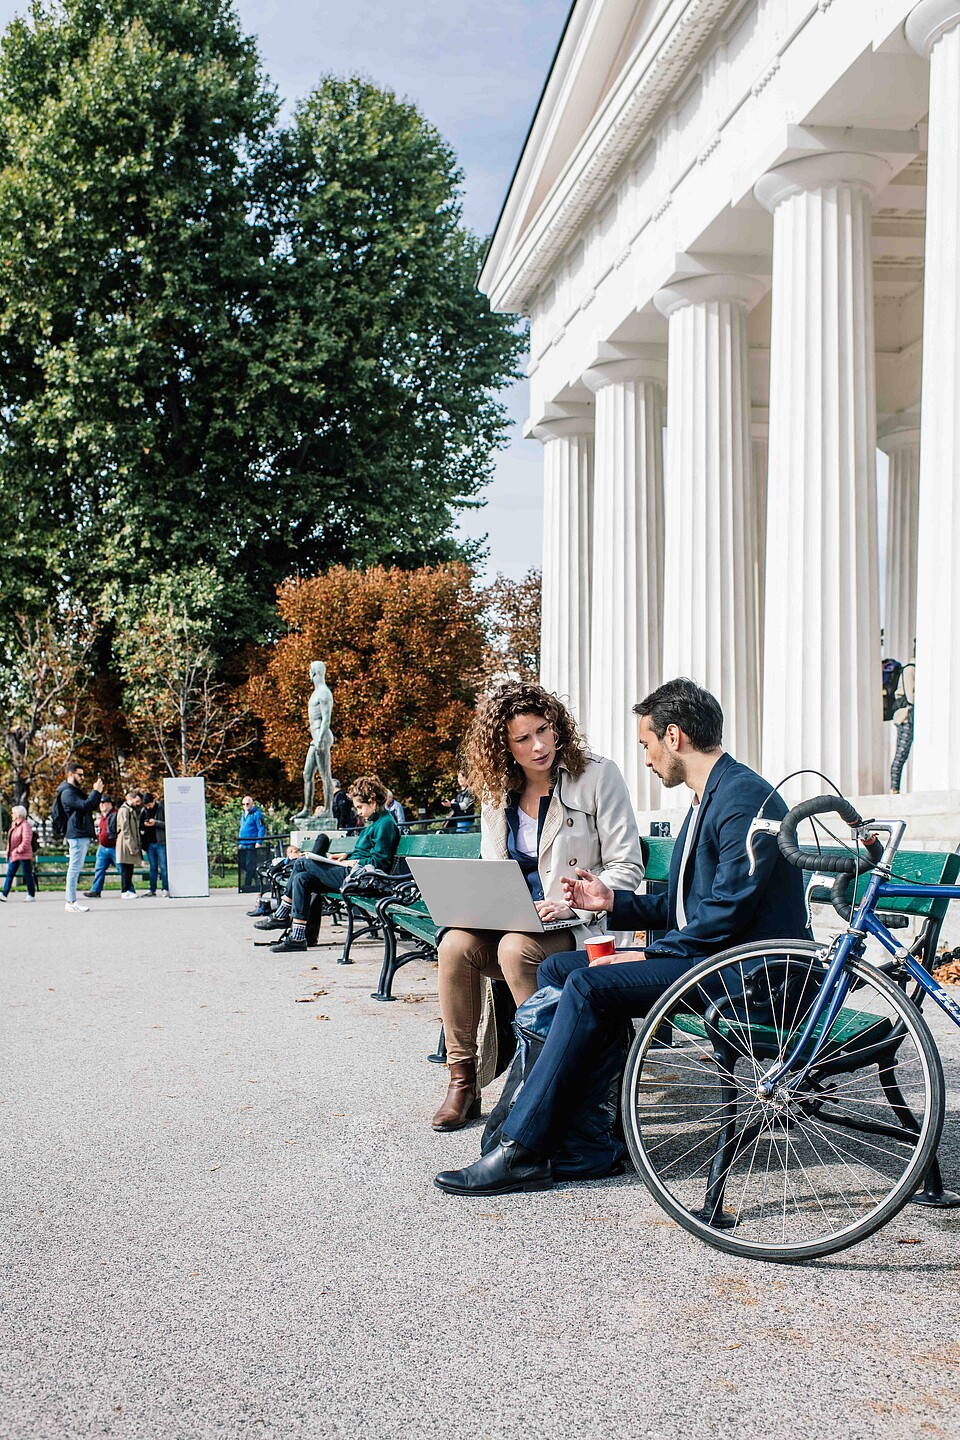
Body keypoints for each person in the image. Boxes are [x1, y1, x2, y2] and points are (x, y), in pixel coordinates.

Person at [434, 677, 811, 1195]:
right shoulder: (715, 794)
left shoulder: (744, 799)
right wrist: (611, 902)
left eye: (647, 744)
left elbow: (725, 915)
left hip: (746, 972)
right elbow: (687, 907)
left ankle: (523, 1148)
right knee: (556, 969)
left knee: (590, 984)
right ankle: (588, 1140)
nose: (648, 758)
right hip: (715, 956)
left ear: (673, 736)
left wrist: (641, 953)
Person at [430, 681, 644, 1133]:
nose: (539, 745)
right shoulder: (496, 792)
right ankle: (462, 1081)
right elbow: (493, 872)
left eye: (544, 730)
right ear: (503, 746)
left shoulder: (598, 776)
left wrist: (571, 904)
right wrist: (479, 906)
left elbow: (627, 867)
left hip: (581, 926)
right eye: (523, 739)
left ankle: (544, 1078)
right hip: (516, 921)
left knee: (515, 949)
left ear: (557, 726)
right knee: (453, 944)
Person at [254, 776, 400, 954]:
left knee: (302, 862)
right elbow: (367, 852)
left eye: (360, 807)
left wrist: (351, 861)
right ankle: (298, 937)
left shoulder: (385, 824)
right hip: (355, 873)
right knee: (302, 878)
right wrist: (346, 855)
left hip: (363, 880)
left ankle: (282, 913)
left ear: (373, 801)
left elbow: (379, 863)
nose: (358, 812)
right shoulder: (376, 822)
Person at [57, 760, 104, 913]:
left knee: (76, 867)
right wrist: (96, 791)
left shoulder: (74, 791)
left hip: (79, 833)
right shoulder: (67, 792)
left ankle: (71, 901)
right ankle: (70, 902)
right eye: (80, 775)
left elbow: (89, 804)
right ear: (71, 774)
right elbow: (85, 805)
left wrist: (97, 792)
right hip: (76, 833)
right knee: (74, 868)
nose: (83, 778)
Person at [84, 797, 119, 898]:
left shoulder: (115, 815)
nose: (102, 805)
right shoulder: (102, 816)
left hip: (114, 846)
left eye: (104, 802)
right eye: (100, 803)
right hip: (103, 847)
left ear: (110, 804)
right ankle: (96, 890)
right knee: (99, 869)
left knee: (121, 869)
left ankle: (129, 889)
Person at [1, 804, 36, 901]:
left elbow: (26, 841)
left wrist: (17, 850)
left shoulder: (25, 825)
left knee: (27, 874)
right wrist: (10, 852)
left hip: (23, 855)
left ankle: (31, 894)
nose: (11, 815)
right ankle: (4, 894)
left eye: (13, 813)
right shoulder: (14, 825)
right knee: (10, 874)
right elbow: (10, 840)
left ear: (18, 814)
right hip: (14, 855)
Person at [140, 792, 169, 897]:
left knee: (163, 866)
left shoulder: (161, 809)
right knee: (153, 867)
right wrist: (144, 825)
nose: (148, 807)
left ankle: (165, 888)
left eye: (149, 805)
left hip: (160, 842)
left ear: (154, 801)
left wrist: (155, 823)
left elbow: (168, 824)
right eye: (146, 805)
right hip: (149, 843)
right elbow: (140, 826)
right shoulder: (144, 811)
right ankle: (152, 889)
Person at [116, 789, 143, 898]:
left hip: (128, 842)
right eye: (137, 801)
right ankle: (125, 891)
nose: (138, 804)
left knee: (129, 867)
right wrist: (132, 846)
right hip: (125, 844)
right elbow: (125, 830)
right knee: (126, 868)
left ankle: (127, 890)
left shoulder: (130, 810)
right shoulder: (124, 811)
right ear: (131, 798)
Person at [238, 795, 267, 888]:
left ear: (252, 804)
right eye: (243, 804)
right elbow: (241, 829)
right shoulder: (244, 814)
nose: (245, 805)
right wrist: (239, 842)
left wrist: (259, 841)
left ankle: (247, 885)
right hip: (243, 843)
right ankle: (257, 877)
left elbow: (261, 828)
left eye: (247, 803)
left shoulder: (257, 814)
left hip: (251, 843)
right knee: (242, 864)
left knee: (250, 864)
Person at [442, 768, 475, 833]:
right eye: (458, 777)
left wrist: (451, 804)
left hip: (465, 821)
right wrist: (453, 804)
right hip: (459, 820)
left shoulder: (469, 791)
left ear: (467, 778)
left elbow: (465, 805)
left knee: (463, 840)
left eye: (462, 777)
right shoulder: (460, 792)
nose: (460, 779)